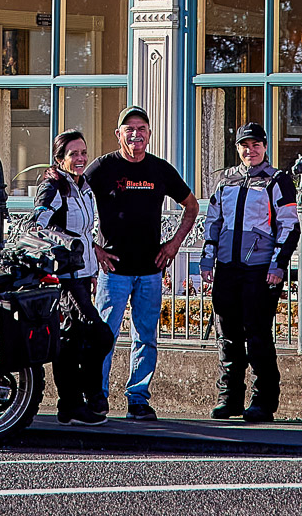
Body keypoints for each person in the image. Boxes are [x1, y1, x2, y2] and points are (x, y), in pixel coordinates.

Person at [86, 105, 197, 422]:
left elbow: (191, 205)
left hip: (150, 270)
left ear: (149, 134)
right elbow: (71, 203)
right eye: (129, 129)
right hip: (114, 271)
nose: (136, 134)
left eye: (142, 129)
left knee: (145, 337)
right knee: (104, 336)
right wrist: (94, 248)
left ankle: (137, 398)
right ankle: (98, 397)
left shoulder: (159, 170)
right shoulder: (102, 168)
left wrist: (174, 245)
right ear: (118, 134)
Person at [198, 122, 299, 422]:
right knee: (226, 335)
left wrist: (278, 265)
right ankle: (229, 399)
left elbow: (290, 225)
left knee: (257, 336)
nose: (249, 150)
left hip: (260, 270)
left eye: (256, 144)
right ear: (237, 147)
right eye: (244, 144)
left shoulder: (277, 180)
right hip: (228, 267)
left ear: (265, 147)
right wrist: (207, 260)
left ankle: (263, 401)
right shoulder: (226, 180)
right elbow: (212, 222)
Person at [32, 129, 117, 425]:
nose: (80, 158)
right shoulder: (53, 187)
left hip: (82, 275)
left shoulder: (83, 186)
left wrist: (91, 268)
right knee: (98, 335)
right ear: (60, 159)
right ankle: (86, 397)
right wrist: (67, 249)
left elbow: (84, 232)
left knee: (75, 339)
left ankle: (74, 404)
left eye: (83, 152)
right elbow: (35, 227)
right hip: (64, 277)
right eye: (73, 154)